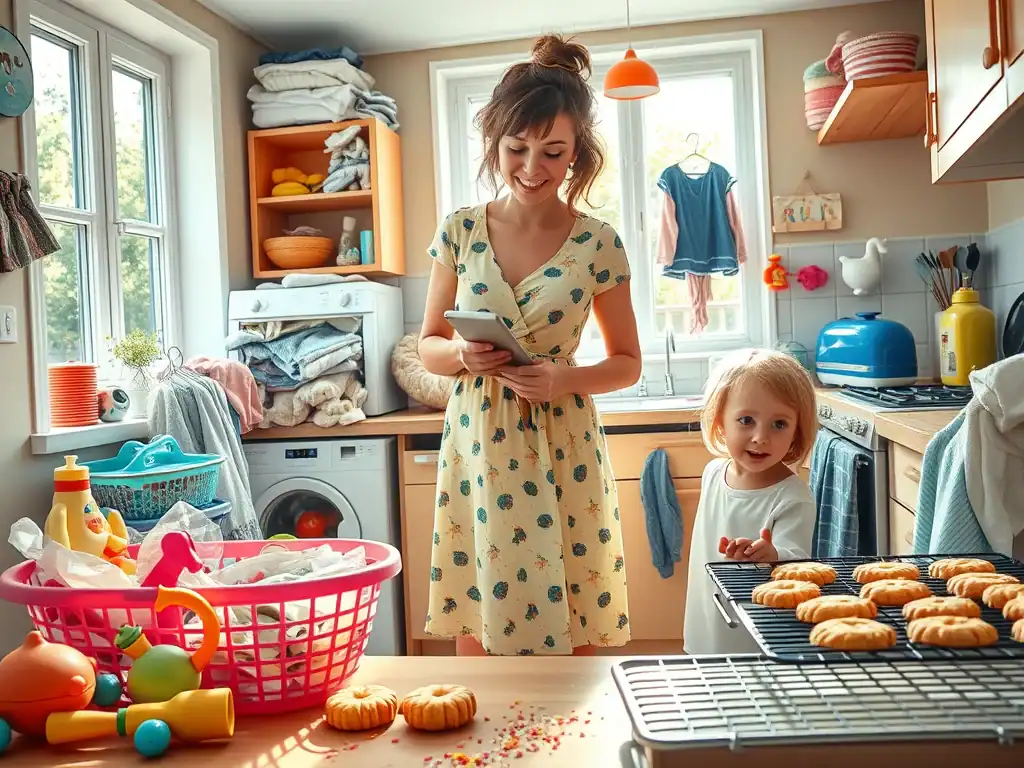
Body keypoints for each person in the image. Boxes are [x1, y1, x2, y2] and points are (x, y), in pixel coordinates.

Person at [418, 34, 642, 656]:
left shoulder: (599, 243)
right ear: (495, 143)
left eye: (553, 151)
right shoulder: (460, 230)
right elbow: (428, 345)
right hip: (478, 438)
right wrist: (463, 357)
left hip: (562, 436)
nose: (532, 168)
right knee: (480, 601)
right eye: (517, 148)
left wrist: (562, 379)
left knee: (575, 594)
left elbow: (628, 363)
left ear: (578, 154)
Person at [683, 348, 817, 654]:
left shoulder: (792, 497)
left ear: (797, 432)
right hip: (706, 616)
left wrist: (771, 554)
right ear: (720, 423)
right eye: (746, 420)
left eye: (779, 424)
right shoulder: (713, 473)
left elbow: (796, 563)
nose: (760, 437)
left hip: (758, 634)